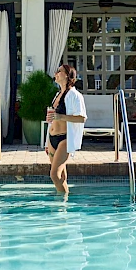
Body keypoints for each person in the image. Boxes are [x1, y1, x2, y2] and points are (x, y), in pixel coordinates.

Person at [45, 64, 87, 194]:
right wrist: (47, 141)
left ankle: (62, 202)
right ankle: (62, 206)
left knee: (54, 175)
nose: (56, 74)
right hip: (53, 139)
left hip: (65, 138)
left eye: (59, 71)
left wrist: (60, 116)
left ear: (68, 75)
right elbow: (54, 119)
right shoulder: (57, 95)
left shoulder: (75, 95)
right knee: (61, 175)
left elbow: (82, 118)